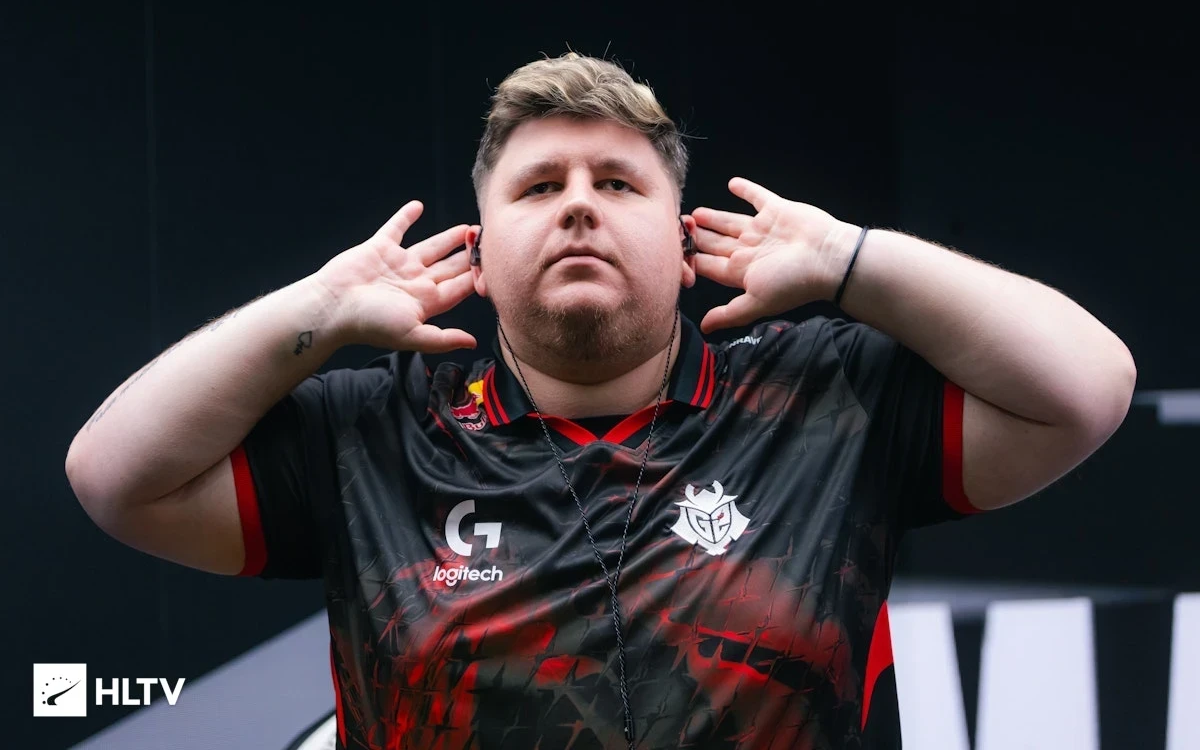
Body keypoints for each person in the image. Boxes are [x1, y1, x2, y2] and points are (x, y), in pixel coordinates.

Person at [65, 51, 1137, 749]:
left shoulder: (825, 400)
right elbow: (114, 478)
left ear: (684, 239)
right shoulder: (372, 433)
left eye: (618, 183)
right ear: (479, 254)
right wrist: (317, 309)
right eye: (540, 187)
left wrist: (851, 261)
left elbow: (1087, 389)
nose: (578, 207)